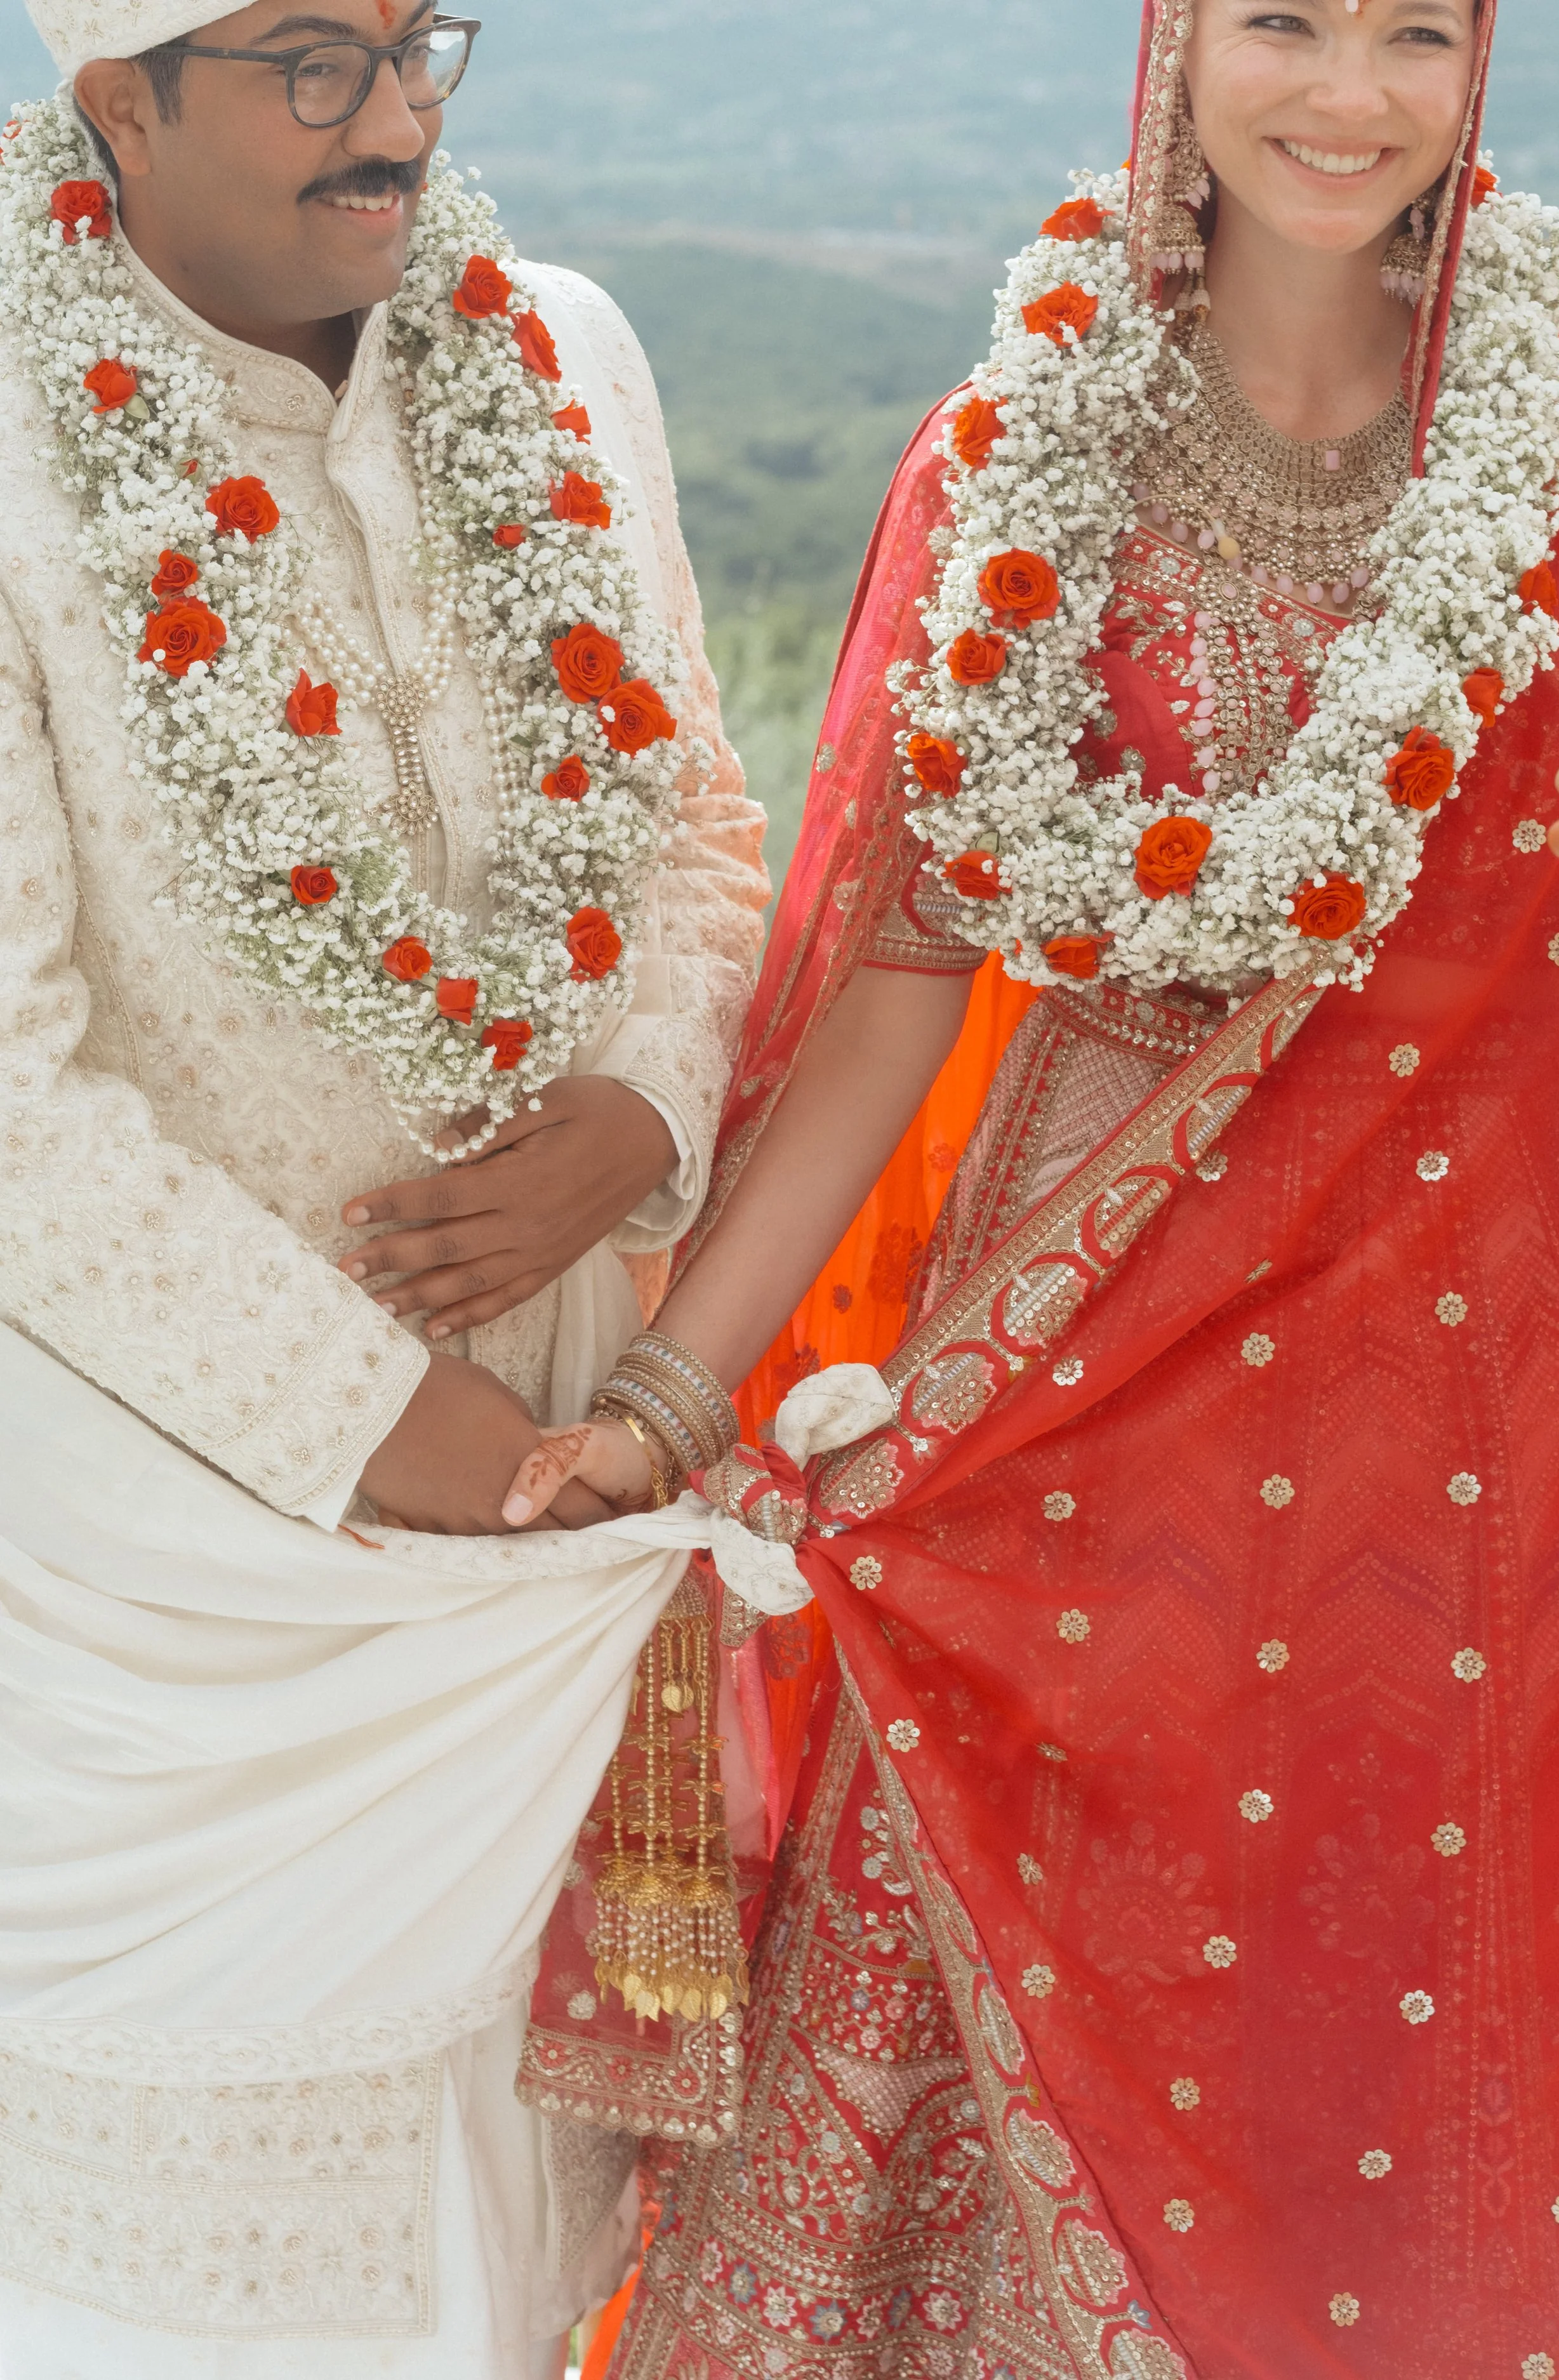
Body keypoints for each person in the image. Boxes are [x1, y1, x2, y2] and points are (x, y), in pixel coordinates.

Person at [513, 1, 1559, 2371]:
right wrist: (681, 1399)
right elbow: (892, 986)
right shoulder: (1020, 455)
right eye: (1281, 20)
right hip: (1052, 1432)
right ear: (1174, 45)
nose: (1347, 93)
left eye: (1416, 29)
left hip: (1457, 1462)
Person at [0, 1, 767, 2372]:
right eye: (312, 65)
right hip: (194, 1559)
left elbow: (701, 825)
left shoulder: (565, 355)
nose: (405, 120)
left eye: (426, 40)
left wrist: (638, 1112)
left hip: (565, 1489)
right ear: (112, 97)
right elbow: (12, 1108)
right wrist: (422, 1456)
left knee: (529, 2255)